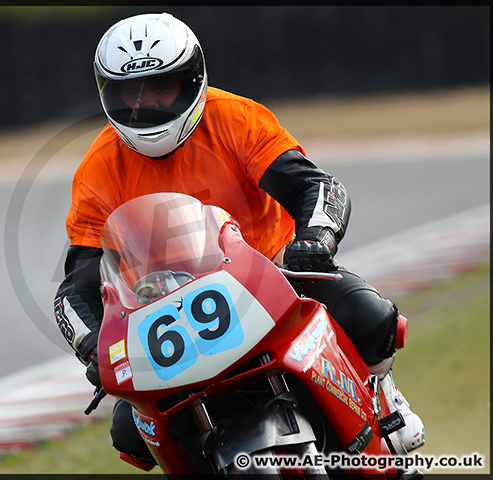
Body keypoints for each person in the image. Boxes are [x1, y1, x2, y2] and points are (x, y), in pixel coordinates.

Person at [53, 12, 425, 465]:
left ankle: (384, 397)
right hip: (170, 318)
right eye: (130, 92)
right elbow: (76, 287)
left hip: (276, 278)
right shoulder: (97, 168)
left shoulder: (235, 117)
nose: (143, 106)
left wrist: (316, 241)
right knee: (129, 432)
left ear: (192, 80)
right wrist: (94, 345)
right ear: (107, 92)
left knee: (370, 315)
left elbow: (315, 186)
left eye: (160, 88)